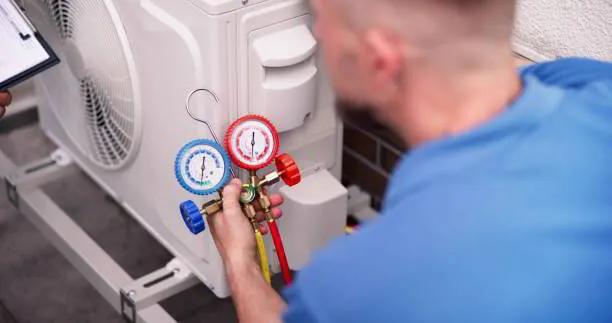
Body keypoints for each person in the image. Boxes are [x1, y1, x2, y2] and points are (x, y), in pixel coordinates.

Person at [210, 0, 612, 322]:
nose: (317, 34)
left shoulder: (358, 287)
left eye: (325, 21)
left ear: (380, 59)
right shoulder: (596, 88)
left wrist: (239, 260)